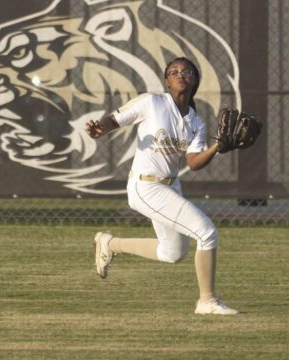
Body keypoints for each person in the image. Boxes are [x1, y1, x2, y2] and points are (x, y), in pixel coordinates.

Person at [85, 57, 238, 315]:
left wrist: (217, 148)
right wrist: (101, 128)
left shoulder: (196, 123)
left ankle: (109, 244)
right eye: (173, 72)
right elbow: (115, 119)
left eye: (186, 71)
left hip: (170, 186)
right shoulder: (152, 102)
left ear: (194, 80)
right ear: (167, 81)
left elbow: (194, 162)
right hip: (145, 185)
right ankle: (207, 301)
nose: (180, 74)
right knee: (206, 232)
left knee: (173, 252)